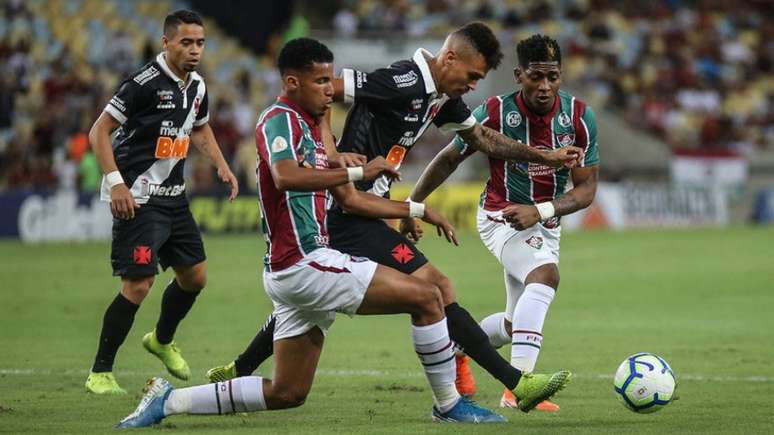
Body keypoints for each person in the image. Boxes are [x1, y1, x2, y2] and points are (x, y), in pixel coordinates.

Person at [116, 37, 515, 428]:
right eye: (321, 82)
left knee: (287, 392)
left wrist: (413, 208)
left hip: (302, 264)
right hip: (303, 261)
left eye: (330, 81)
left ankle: (169, 401)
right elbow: (285, 176)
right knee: (429, 297)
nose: (331, 91)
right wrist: (362, 170)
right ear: (293, 83)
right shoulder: (279, 119)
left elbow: (352, 201)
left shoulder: (312, 130)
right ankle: (449, 404)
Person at [207, 22, 577, 412]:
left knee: (312, 308)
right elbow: (324, 88)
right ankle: (512, 384)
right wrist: (331, 153)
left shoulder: (439, 97)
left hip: (366, 208)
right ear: (449, 58)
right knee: (438, 288)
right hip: (347, 210)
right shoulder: (403, 81)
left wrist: (543, 156)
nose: (472, 86)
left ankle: (239, 367)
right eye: (471, 76)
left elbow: (483, 139)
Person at [406, 34, 599, 411]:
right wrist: (413, 202)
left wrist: (542, 212)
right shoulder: (494, 112)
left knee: (516, 326)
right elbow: (449, 158)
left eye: (553, 77)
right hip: (500, 216)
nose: (545, 87)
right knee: (545, 275)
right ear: (518, 75)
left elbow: (587, 189)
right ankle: (519, 388)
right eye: (536, 77)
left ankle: (459, 348)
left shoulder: (579, 117)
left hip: (542, 222)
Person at [84, 9, 239, 394]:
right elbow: (98, 132)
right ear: (166, 42)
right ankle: (100, 372)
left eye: (200, 43)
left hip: (174, 198)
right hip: (138, 200)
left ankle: (161, 339)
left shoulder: (198, 86)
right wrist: (116, 184)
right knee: (139, 284)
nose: (194, 50)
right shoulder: (142, 84)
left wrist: (222, 164)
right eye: (186, 42)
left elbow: (199, 127)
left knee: (195, 276)